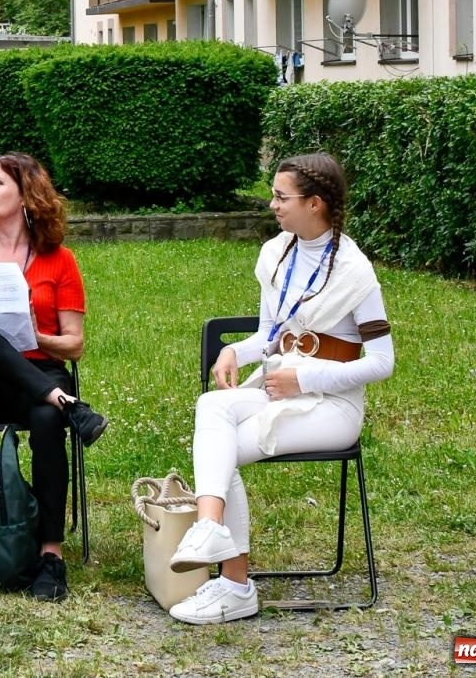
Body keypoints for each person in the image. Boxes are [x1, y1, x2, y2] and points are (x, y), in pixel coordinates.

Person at [167, 151, 394, 624]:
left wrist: (305, 376)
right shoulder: (277, 252)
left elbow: (382, 363)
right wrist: (235, 352)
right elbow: (270, 335)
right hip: (280, 390)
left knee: (221, 450)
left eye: (280, 196)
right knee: (213, 407)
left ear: (315, 204)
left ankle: (233, 586)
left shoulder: (355, 272)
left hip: (332, 408)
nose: (272, 204)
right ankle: (211, 531)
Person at [0, 152, 108, 602]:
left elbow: (74, 344)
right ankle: (67, 403)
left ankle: (50, 556)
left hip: (40, 373)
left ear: (25, 194)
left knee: (49, 421)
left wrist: (35, 333)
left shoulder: (59, 261)